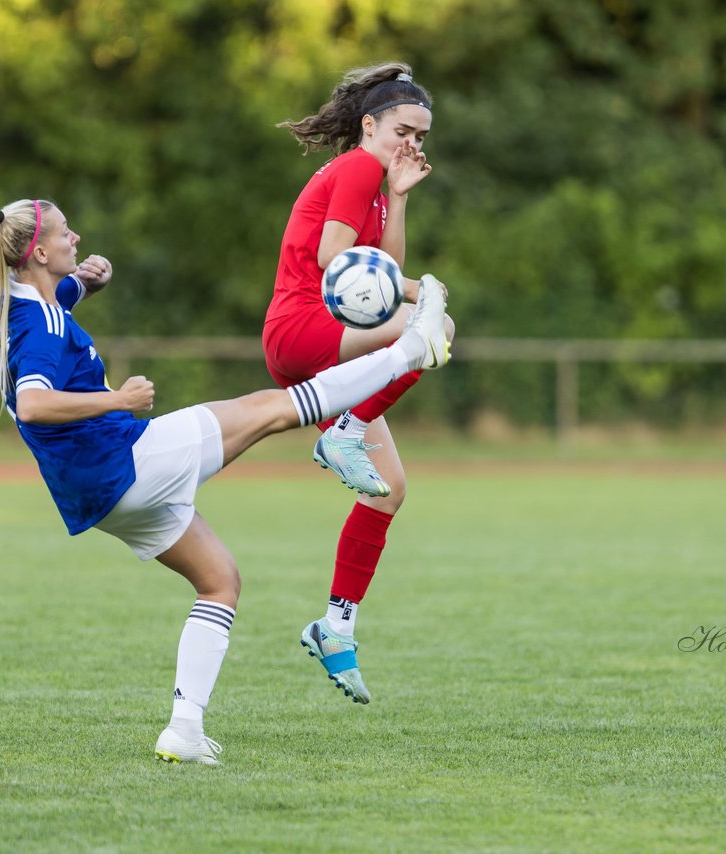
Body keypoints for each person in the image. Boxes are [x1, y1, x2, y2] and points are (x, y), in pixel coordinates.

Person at [0, 198, 451, 764]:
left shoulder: (22, 302)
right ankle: (410, 348)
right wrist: (120, 399)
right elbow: (33, 403)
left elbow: (54, 302)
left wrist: (84, 282)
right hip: (127, 461)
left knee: (220, 582)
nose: (76, 237)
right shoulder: (40, 322)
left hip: (100, 498)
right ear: (38, 252)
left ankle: (184, 731)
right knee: (272, 408)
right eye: (65, 234)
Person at [264, 61, 454, 705]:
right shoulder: (356, 168)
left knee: (389, 492)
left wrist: (399, 198)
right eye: (404, 130)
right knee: (431, 324)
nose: (413, 144)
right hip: (302, 329)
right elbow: (335, 264)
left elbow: (382, 268)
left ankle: (335, 626)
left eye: (422, 136)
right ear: (369, 125)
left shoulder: (379, 182)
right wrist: (422, 291)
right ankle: (344, 430)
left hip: (325, 342)